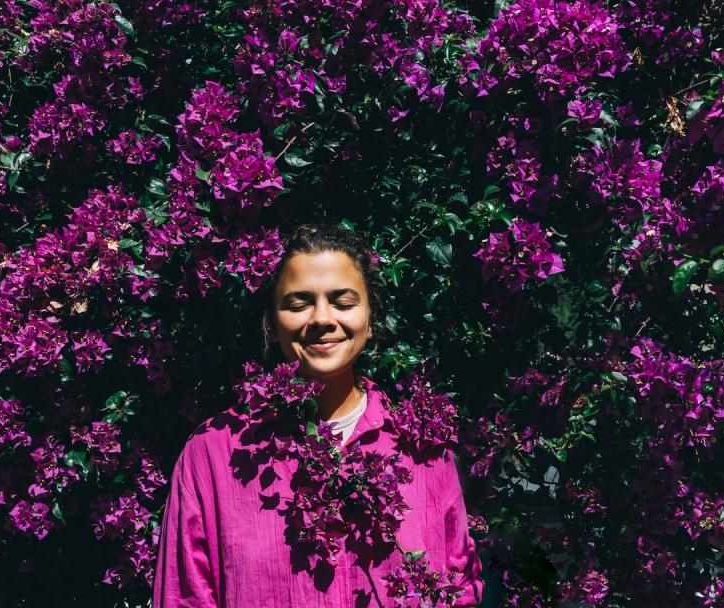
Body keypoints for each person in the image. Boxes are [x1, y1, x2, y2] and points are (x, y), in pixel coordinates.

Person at [152, 224, 485, 607]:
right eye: (298, 304)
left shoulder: (422, 452)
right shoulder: (213, 454)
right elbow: (184, 597)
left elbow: (460, 588)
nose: (322, 318)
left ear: (371, 320)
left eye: (344, 302)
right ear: (271, 326)